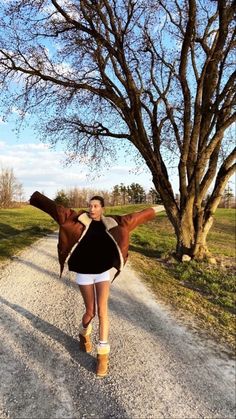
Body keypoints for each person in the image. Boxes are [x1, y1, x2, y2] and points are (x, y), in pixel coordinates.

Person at [29, 191, 164, 377]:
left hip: (102, 273)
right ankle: (83, 332)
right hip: (84, 274)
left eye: (96, 206)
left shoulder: (114, 223)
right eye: (90, 205)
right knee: (90, 312)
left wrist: (163, 206)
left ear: (102, 209)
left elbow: (136, 217)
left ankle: (103, 355)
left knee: (103, 311)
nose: (92, 209)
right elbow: (57, 210)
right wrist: (36, 198)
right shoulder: (76, 219)